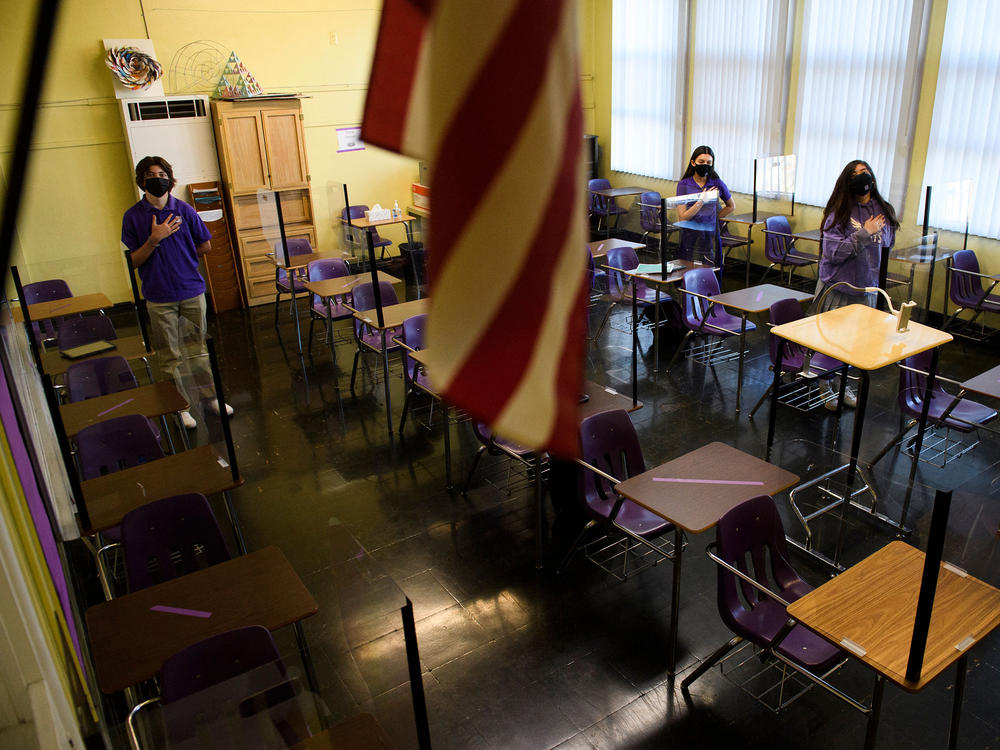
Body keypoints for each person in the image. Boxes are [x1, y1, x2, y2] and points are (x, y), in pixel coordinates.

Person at [121, 155, 233, 429]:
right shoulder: (133, 217)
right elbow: (132, 261)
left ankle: (210, 398)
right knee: (169, 355)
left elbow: (205, 245)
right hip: (159, 298)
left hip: (191, 291)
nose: (156, 179)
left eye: (161, 174)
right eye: (150, 175)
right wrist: (154, 239)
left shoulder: (185, 210)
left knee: (198, 351)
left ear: (170, 179)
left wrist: (182, 254)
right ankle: (179, 406)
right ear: (141, 181)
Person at [815, 159, 899, 409]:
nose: (860, 177)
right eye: (854, 174)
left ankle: (842, 382)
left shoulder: (883, 210)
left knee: (853, 343)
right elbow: (833, 253)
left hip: (866, 289)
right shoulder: (839, 211)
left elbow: (885, 247)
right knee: (830, 341)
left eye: (864, 172)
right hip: (838, 288)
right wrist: (864, 232)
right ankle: (824, 383)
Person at [675, 145, 735, 270]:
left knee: (712, 268)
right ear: (693, 162)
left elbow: (731, 206)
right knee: (687, 268)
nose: (705, 165)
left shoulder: (716, 182)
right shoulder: (684, 184)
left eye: (709, 162)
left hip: (710, 233)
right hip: (690, 232)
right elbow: (682, 217)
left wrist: (713, 217)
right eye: (701, 162)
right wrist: (702, 201)